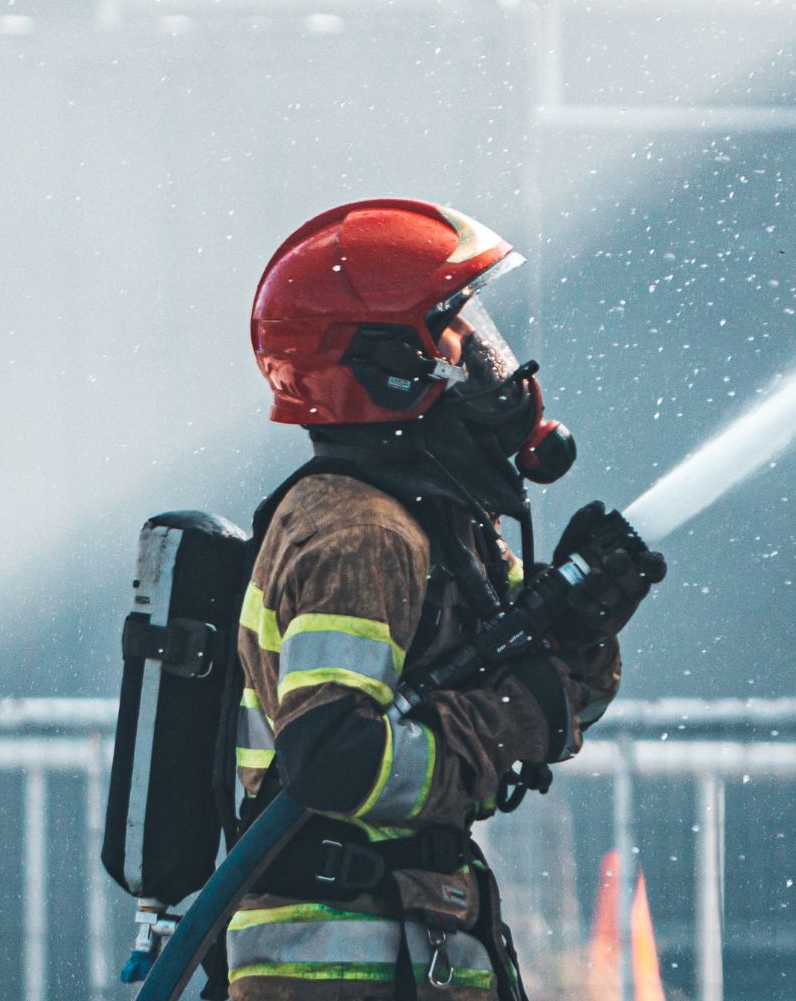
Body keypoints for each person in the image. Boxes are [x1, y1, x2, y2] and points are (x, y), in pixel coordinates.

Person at [229, 198, 665, 1000]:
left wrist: (581, 633)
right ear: (389, 367)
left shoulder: (439, 526)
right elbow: (336, 765)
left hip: (414, 944)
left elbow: (557, 707)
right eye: (455, 337)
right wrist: (514, 713)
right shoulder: (355, 531)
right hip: (344, 967)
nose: (487, 363)